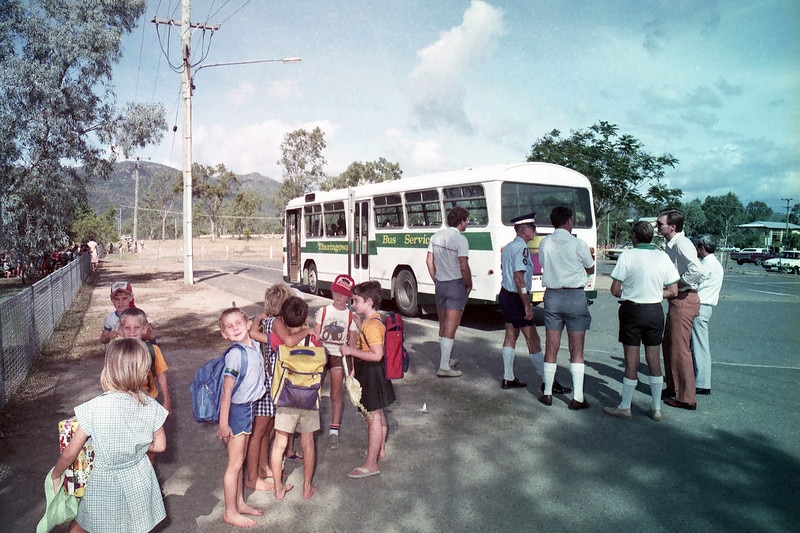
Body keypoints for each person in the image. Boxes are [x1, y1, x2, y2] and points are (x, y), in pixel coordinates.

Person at [50, 338, 168, 533]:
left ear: (109, 369)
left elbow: (71, 452)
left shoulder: (95, 407)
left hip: (105, 481)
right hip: (139, 478)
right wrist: (136, 445)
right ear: (143, 370)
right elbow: (161, 445)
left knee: (83, 525)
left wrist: (56, 474)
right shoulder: (152, 406)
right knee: (132, 526)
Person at [602, 221, 680, 421]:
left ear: (635, 236)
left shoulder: (627, 255)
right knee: (654, 359)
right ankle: (656, 408)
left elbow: (615, 290)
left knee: (631, 360)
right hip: (654, 311)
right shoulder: (662, 256)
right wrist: (653, 292)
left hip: (632, 311)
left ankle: (625, 406)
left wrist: (632, 291)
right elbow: (673, 291)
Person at [244, 283, 310, 491]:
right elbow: (289, 342)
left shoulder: (267, 321)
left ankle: (263, 468)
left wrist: (257, 320)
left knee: (266, 432)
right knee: (259, 433)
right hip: (270, 385)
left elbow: (255, 334)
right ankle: (252, 477)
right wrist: (309, 330)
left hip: (272, 384)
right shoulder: (277, 323)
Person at [498, 213, 571, 394]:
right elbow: (519, 278)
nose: (535, 231)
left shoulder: (508, 247)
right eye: (532, 228)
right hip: (516, 297)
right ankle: (548, 382)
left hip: (506, 294)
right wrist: (527, 306)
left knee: (510, 336)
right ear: (524, 230)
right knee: (533, 340)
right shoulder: (521, 248)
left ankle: (508, 378)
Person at [538, 206, 595, 410]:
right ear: (569, 220)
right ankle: (577, 397)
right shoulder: (579, 244)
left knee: (551, 345)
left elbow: (544, 264)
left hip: (553, 296)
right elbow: (590, 267)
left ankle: (547, 393)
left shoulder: (545, 243)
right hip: (575, 296)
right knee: (576, 349)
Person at [268, 296, 323, 500]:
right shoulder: (314, 339)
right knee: (308, 443)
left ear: (283, 317)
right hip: (308, 398)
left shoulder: (278, 338)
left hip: (286, 397)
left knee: (279, 444)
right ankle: (307, 487)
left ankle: (278, 488)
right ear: (305, 316)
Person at [216, 307, 266, 528]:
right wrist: (224, 424)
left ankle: (239, 502)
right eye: (229, 326)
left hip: (248, 408)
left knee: (240, 461)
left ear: (248, 323)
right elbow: (227, 392)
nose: (235, 328)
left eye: (238, 323)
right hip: (236, 412)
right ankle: (230, 512)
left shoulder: (252, 345)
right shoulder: (236, 354)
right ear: (224, 334)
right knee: (234, 465)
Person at [340, 280, 396, 478]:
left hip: (371, 372)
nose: (353, 304)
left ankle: (371, 464)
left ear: (369, 301)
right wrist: (359, 324)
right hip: (375, 372)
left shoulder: (371, 326)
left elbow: (376, 354)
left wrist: (350, 350)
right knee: (378, 415)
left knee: (372, 417)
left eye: (356, 301)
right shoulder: (374, 320)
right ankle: (378, 451)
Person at [656, 208, 704, 411]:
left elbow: (697, 270)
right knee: (669, 344)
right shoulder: (670, 245)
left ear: (672, 226)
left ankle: (687, 397)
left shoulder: (683, 244)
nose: (657, 227)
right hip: (678, 300)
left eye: (660, 224)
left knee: (680, 348)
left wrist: (678, 284)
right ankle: (673, 387)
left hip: (685, 298)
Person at [117, 308, 171, 460]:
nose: (132, 332)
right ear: (120, 330)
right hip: (124, 405)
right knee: (127, 446)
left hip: (148, 404)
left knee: (150, 447)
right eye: (127, 328)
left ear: (145, 328)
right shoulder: (116, 352)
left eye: (137, 328)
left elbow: (161, 374)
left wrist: (166, 401)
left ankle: (151, 479)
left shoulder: (153, 350)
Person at [426, 206, 472, 378]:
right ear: (461, 222)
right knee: (451, 327)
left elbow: (429, 260)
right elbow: (463, 266)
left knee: (443, 324)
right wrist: (469, 284)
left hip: (441, 285)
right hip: (455, 285)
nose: (467, 223)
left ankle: (445, 359)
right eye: (466, 220)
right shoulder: (461, 240)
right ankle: (444, 366)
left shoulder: (436, 236)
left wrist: (435, 278)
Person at [313, 274, 358, 450]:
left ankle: (334, 430)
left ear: (349, 297)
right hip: (321, 355)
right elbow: (315, 338)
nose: (339, 296)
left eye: (343, 293)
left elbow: (352, 343)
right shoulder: (323, 311)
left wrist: (352, 367)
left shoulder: (350, 317)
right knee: (314, 390)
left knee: (336, 394)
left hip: (338, 357)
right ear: (332, 291)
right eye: (336, 292)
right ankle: (309, 424)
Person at [691, 233, 724, 396]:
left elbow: (693, 283)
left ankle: (702, 382)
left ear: (702, 248)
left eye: (697, 247)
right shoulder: (716, 264)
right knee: (697, 343)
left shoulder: (705, 265)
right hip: (706, 306)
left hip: (701, 305)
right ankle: (697, 378)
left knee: (699, 344)